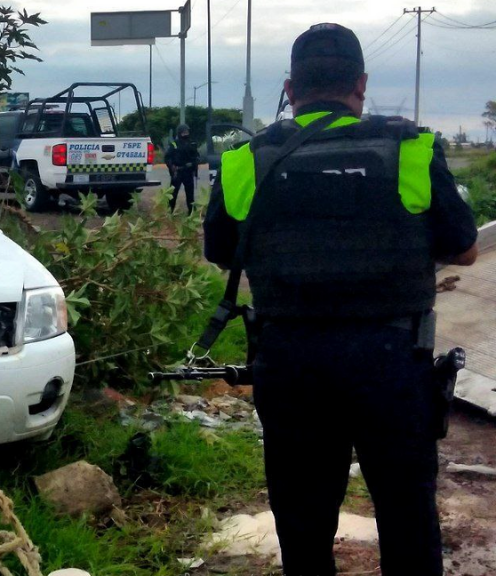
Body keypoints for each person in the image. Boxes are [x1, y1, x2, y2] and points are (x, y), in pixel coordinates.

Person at [203, 23, 478, 576]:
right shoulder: (410, 148)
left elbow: (221, 252)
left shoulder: (245, 160)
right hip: (394, 363)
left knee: (302, 520)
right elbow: (467, 250)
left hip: (290, 362)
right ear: (362, 83)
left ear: (289, 87)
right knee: (407, 513)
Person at [165, 123, 201, 214]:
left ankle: (191, 213)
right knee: (172, 194)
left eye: (187, 131)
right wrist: (171, 167)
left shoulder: (192, 143)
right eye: (184, 132)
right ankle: (170, 212)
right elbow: (167, 157)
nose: (186, 133)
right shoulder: (174, 144)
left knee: (190, 195)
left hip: (188, 172)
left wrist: (194, 164)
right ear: (179, 132)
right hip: (178, 172)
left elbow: (197, 156)